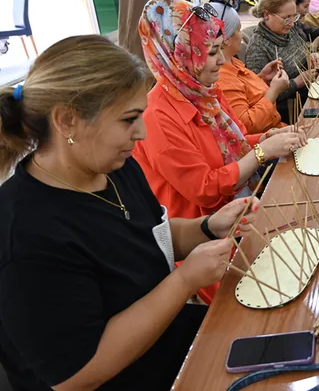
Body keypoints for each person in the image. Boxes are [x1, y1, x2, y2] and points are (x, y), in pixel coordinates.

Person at [0, 35, 261, 390]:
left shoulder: (113, 168)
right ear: (67, 120)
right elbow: (77, 375)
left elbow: (152, 235)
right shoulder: (24, 235)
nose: (141, 132)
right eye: (128, 120)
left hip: (177, 345)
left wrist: (207, 227)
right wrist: (183, 281)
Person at [133, 0, 305, 300]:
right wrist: (263, 152)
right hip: (206, 245)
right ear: (180, 55)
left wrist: (267, 138)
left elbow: (235, 142)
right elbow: (204, 188)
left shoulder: (204, 91)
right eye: (212, 52)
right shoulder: (157, 116)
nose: (223, 61)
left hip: (240, 212)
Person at [245, 0, 319, 123]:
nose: (292, 22)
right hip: (292, 111)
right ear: (267, 15)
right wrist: (297, 82)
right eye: (286, 18)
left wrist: (313, 55)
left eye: (294, 16)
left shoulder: (289, 29)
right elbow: (259, 98)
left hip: (311, 92)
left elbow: (305, 48)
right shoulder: (258, 48)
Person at [212, 1, 288, 135]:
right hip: (269, 139)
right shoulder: (221, 76)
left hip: (277, 130)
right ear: (226, 38)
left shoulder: (233, 62)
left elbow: (245, 92)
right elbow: (246, 126)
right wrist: (274, 91)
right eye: (238, 30)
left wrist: (262, 78)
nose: (241, 36)